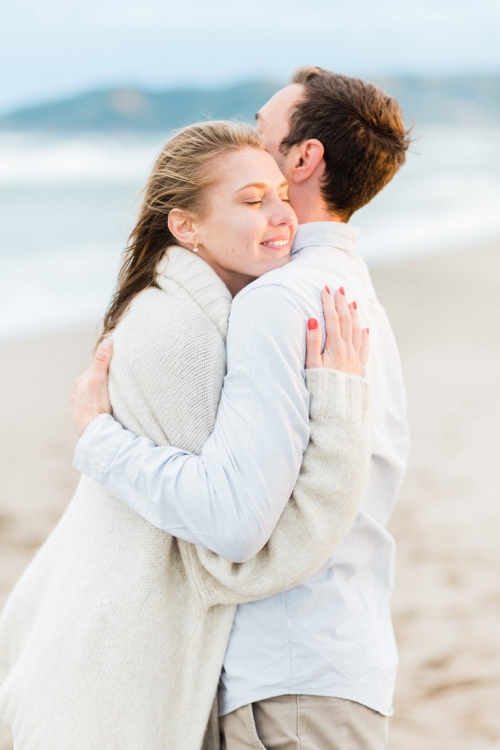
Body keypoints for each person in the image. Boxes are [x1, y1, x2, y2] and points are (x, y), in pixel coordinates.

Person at [0, 120, 372, 750]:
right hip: (110, 682)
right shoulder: (180, 334)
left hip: (109, 658)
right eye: (253, 201)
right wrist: (338, 407)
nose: (283, 215)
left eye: (283, 193)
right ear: (185, 226)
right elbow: (233, 555)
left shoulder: (195, 314)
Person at [71, 67, 411, 749]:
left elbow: (232, 520)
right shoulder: (355, 295)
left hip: (288, 679)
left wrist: (99, 439)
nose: (251, 136)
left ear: (305, 157)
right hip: (344, 658)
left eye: (263, 128)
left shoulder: (278, 302)